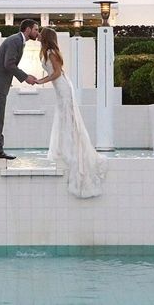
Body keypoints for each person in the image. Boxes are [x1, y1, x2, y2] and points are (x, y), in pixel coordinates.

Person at [36, 27, 107, 198]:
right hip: (59, 88)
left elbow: (57, 73)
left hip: (63, 87)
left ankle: (72, 149)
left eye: (40, 33)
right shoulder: (47, 51)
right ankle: (64, 148)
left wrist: (41, 80)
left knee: (68, 118)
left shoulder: (51, 52)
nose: (38, 35)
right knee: (63, 117)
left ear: (45, 37)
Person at [0, 19, 39, 159]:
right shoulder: (15, 41)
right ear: (28, 30)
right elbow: (9, 64)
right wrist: (26, 77)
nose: (38, 32)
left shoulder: (18, 41)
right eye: (36, 29)